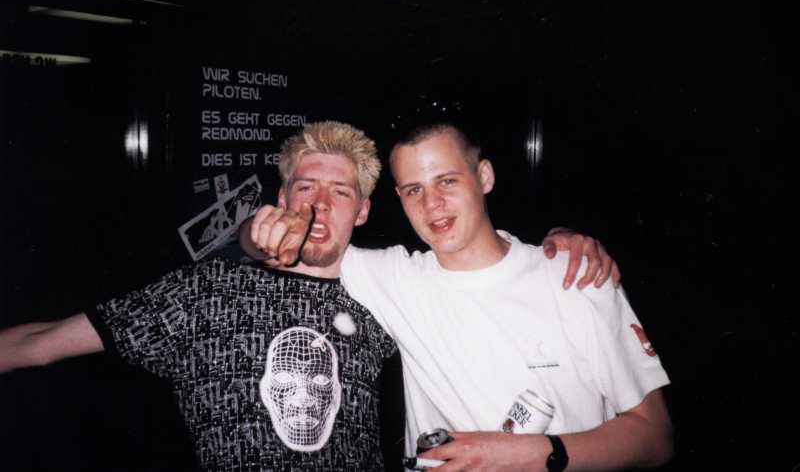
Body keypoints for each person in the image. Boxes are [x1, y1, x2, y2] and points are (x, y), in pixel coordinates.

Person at [0, 121, 615, 471]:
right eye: (305, 188)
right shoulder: (206, 289)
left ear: (364, 211)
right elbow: (43, 342)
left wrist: (562, 240)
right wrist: (245, 241)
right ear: (281, 196)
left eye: (340, 193)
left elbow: (482, 270)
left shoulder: (387, 293)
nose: (319, 206)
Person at [248, 122, 673, 471]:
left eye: (447, 181)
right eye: (414, 190)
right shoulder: (394, 277)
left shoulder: (575, 275)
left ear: (484, 177)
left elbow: (654, 437)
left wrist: (527, 455)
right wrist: (253, 233)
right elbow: (293, 242)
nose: (432, 204)